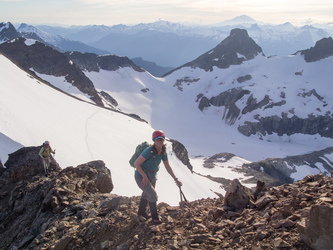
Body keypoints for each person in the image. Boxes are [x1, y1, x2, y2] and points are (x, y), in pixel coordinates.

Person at [134, 130, 182, 224]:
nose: (159, 141)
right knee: (152, 195)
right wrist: (144, 176)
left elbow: (167, 166)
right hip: (140, 176)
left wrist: (175, 179)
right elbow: (136, 164)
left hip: (152, 176)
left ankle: (141, 213)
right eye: (157, 139)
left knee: (146, 193)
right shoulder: (148, 151)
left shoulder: (163, 152)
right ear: (154, 140)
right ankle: (155, 218)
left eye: (161, 139)